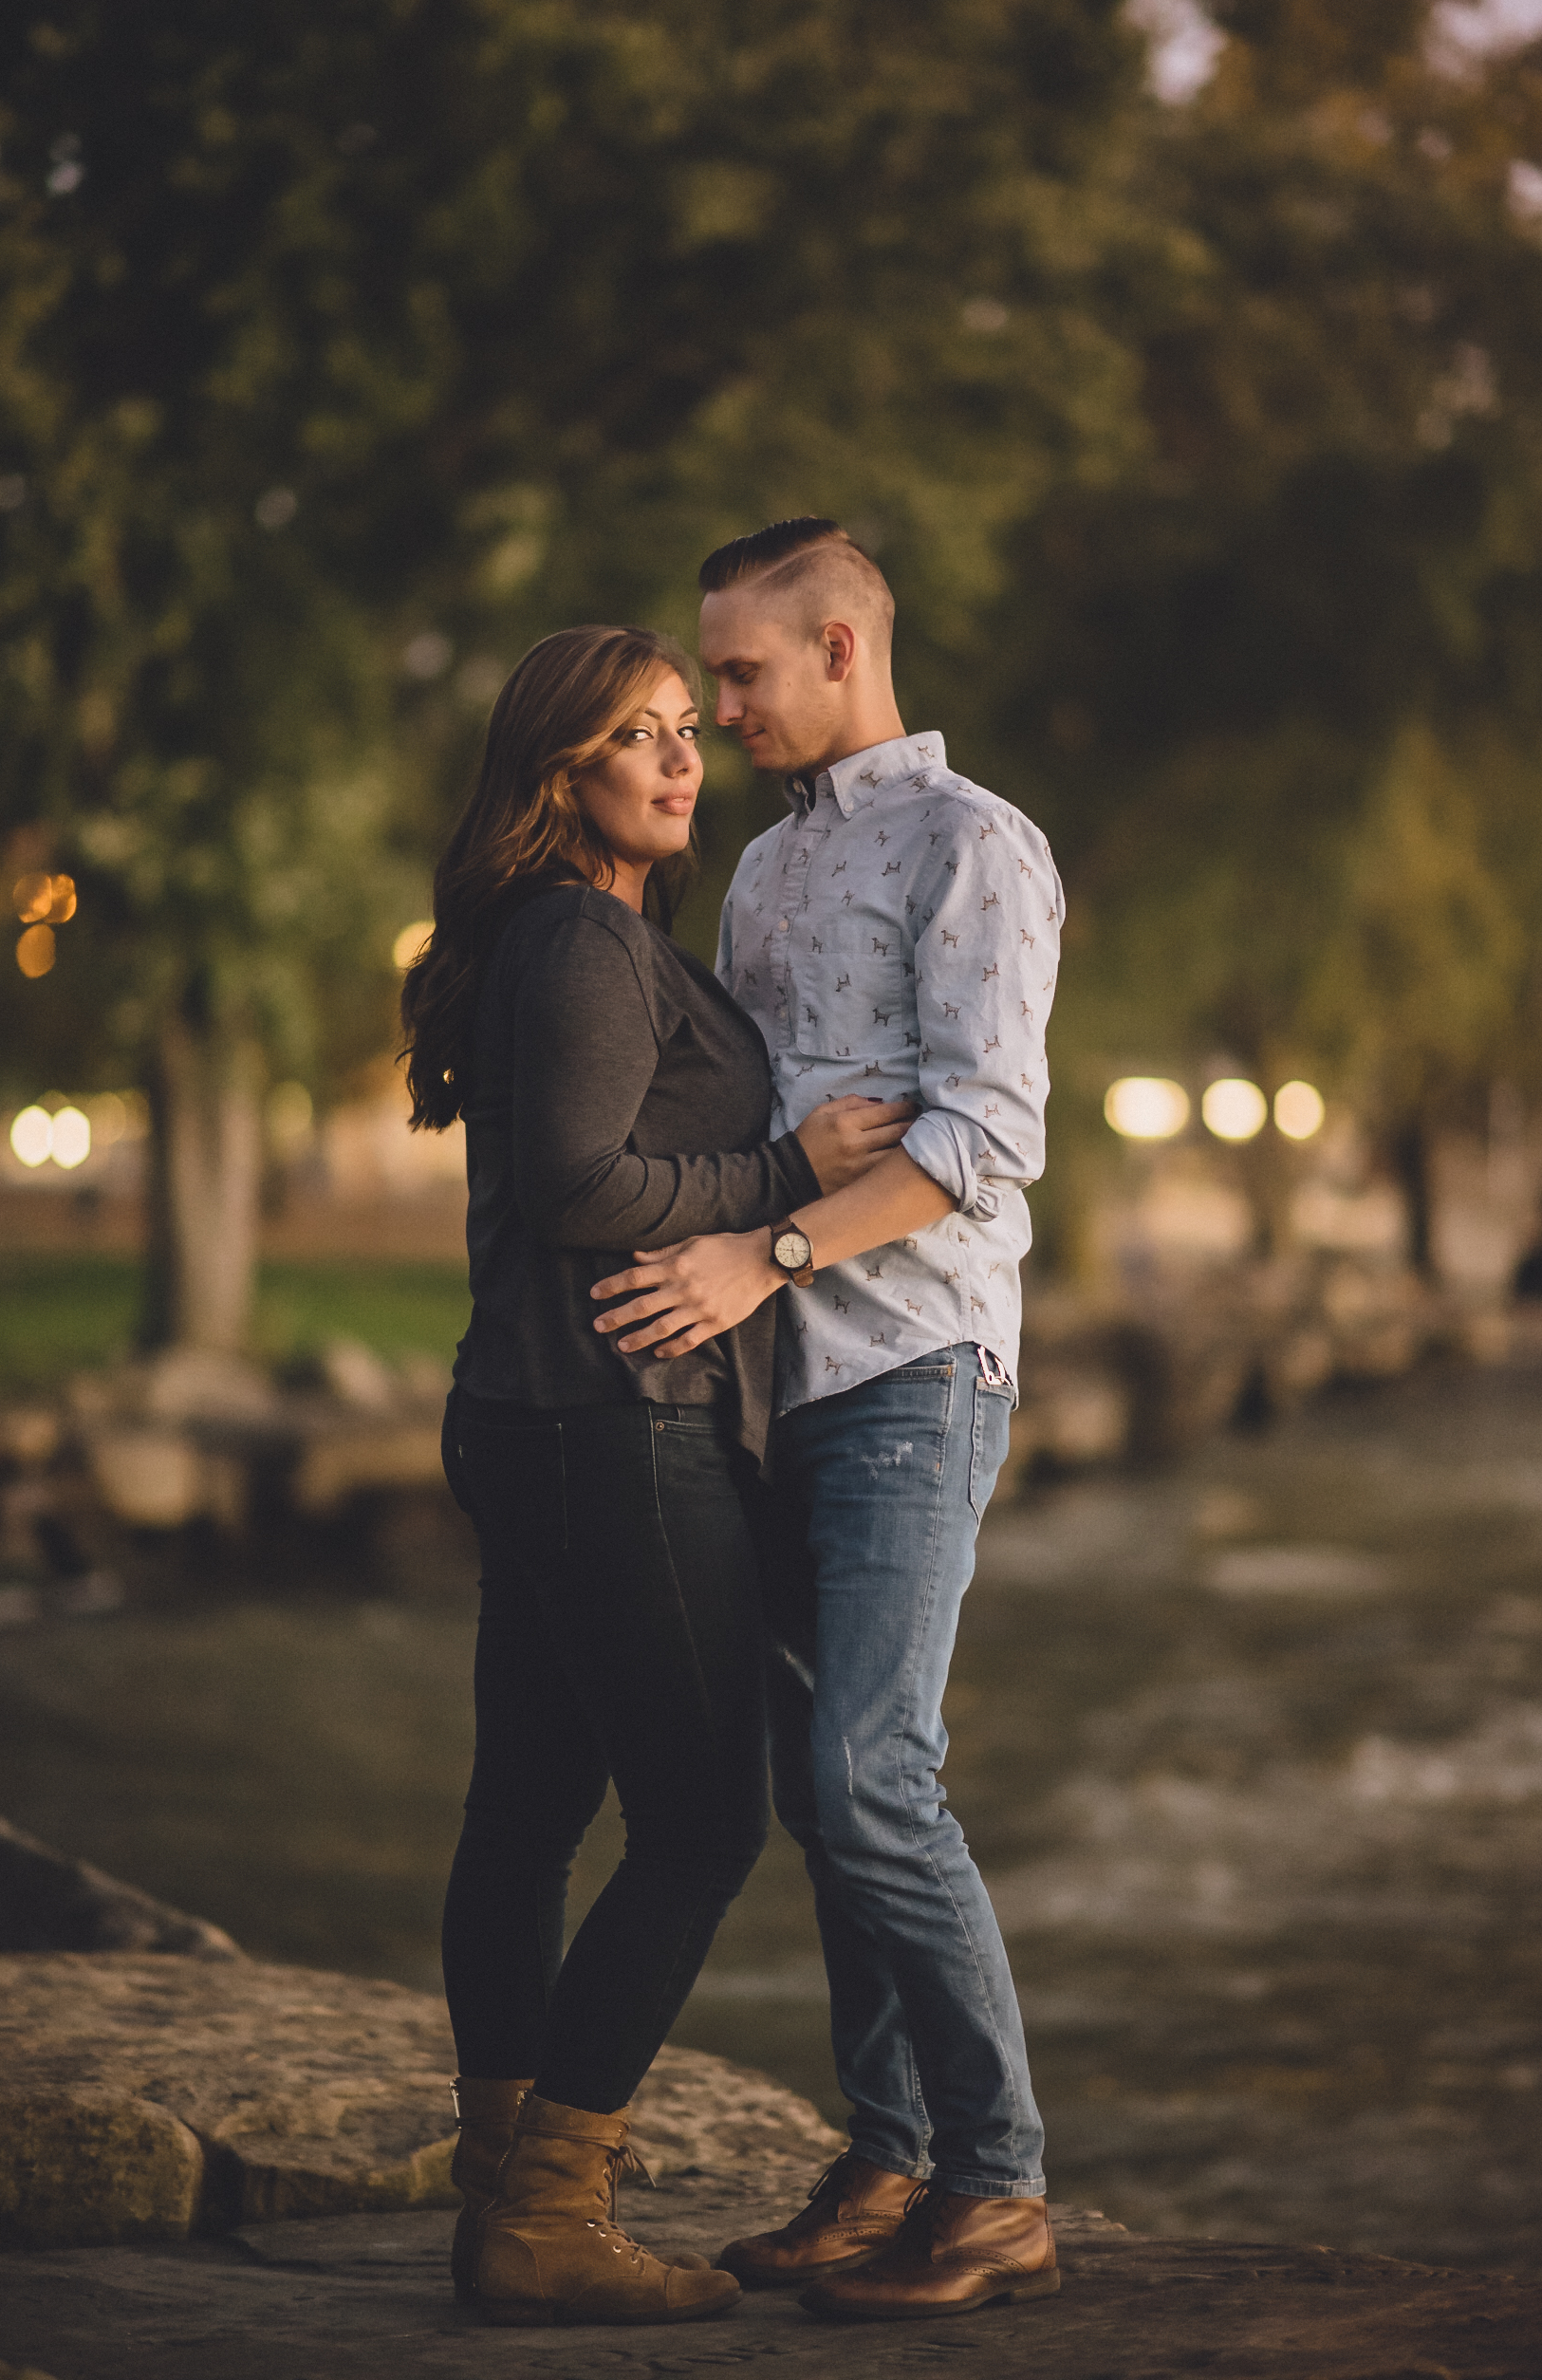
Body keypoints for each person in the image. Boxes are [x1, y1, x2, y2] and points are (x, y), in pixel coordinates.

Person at [399, 622, 912, 2329]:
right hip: (614, 1426)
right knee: (701, 1823)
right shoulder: (577, 943)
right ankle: (545, 2209)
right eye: (643, 734)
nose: (685, 758)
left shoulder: (592, 934)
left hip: (537, 1420)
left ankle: (499, 2185)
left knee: (530, 1815)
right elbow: (573, 1187)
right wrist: (783, 1180)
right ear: (563, 775)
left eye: (691, 726)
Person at [589, 520, 1066, 2323]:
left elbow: (978, 1143)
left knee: (874, 1778)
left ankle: (1000, 2184)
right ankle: (883, 2158)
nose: (714, 708)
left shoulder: (976, 846)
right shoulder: (767, 874)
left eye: (740, 674)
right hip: (773, 1382)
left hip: (913, 1367)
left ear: (844, 645)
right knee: (819, 1784)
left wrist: (758, 1248)